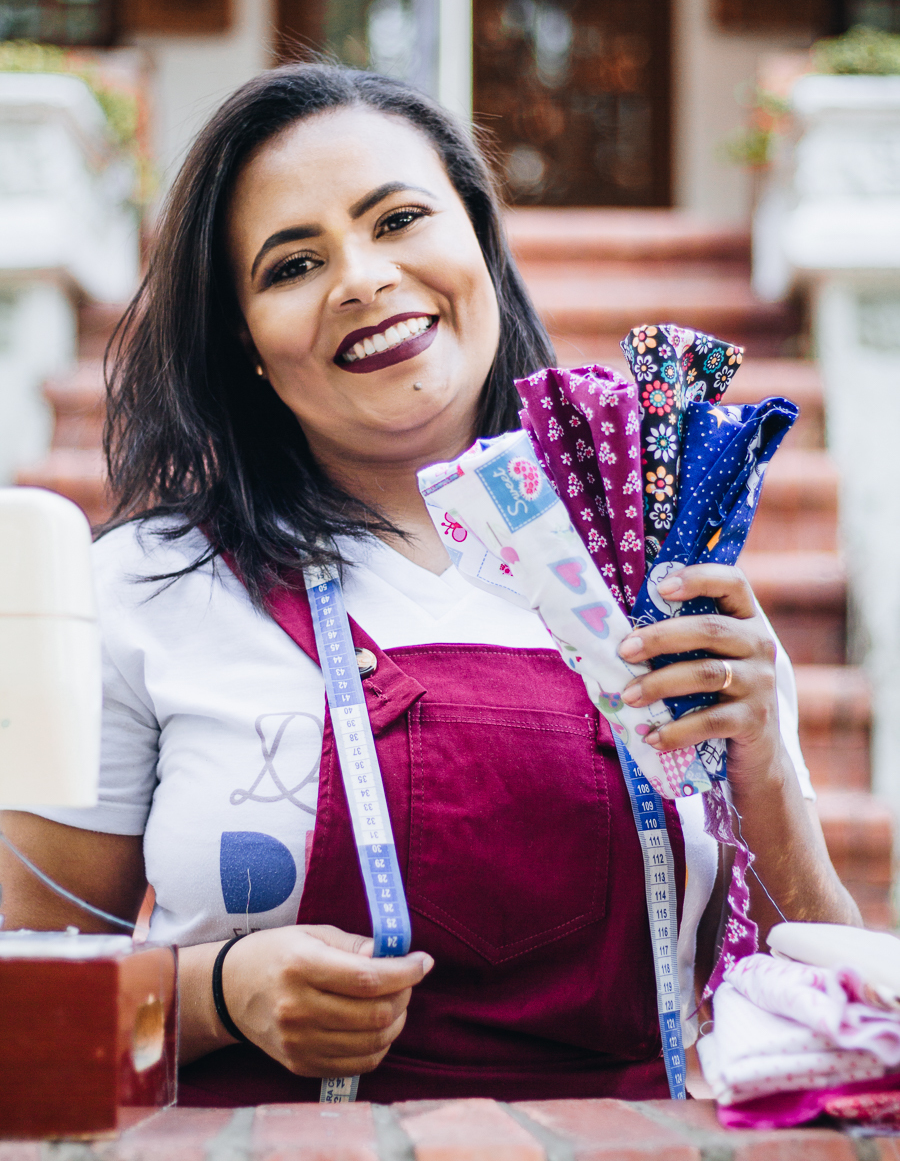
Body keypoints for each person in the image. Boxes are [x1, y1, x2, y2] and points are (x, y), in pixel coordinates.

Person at [0, 64, 860, 1105]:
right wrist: (217, 995)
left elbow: (835, 1008)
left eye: (400, 219)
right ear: (245, 341)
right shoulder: (144, 588)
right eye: (293, 265)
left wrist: (763, 766)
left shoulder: (658, 562)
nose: (362, 279)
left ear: (481, 244)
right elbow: (26, 1009)